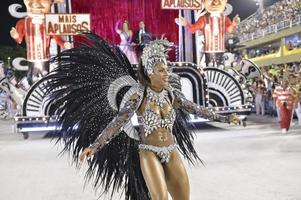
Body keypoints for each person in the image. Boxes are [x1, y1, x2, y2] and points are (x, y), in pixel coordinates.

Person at [42, 33, 243, 200]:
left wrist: (225, 118)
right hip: (149, 151)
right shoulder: (139, 96)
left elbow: (195, 108)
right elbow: (118, 122)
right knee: (161, 198)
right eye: (161, 70)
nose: (167, 74)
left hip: (171, 149)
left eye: (167, 69)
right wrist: (95, 146)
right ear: (149, 72)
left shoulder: (171, 94)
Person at [10, 0, 71, 84]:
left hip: (44, 57)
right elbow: (19, 40)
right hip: (32, 58)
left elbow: (57, 38)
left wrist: (64, 44)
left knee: (45, 77)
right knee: (32, 79)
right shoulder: (23, 23)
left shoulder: (49, 23)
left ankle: (45, 90)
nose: (35, 5)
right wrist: (16, 35)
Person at [177, 0, 240, 68]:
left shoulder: (225, 19)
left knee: (220, 68)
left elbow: (229, 30)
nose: (215, 2)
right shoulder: (203, 19)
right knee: (210, 69)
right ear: (204, 2)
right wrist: (186, 23)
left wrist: (233, 24)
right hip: (208, 51)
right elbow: (193, 29)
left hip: (221, 50)